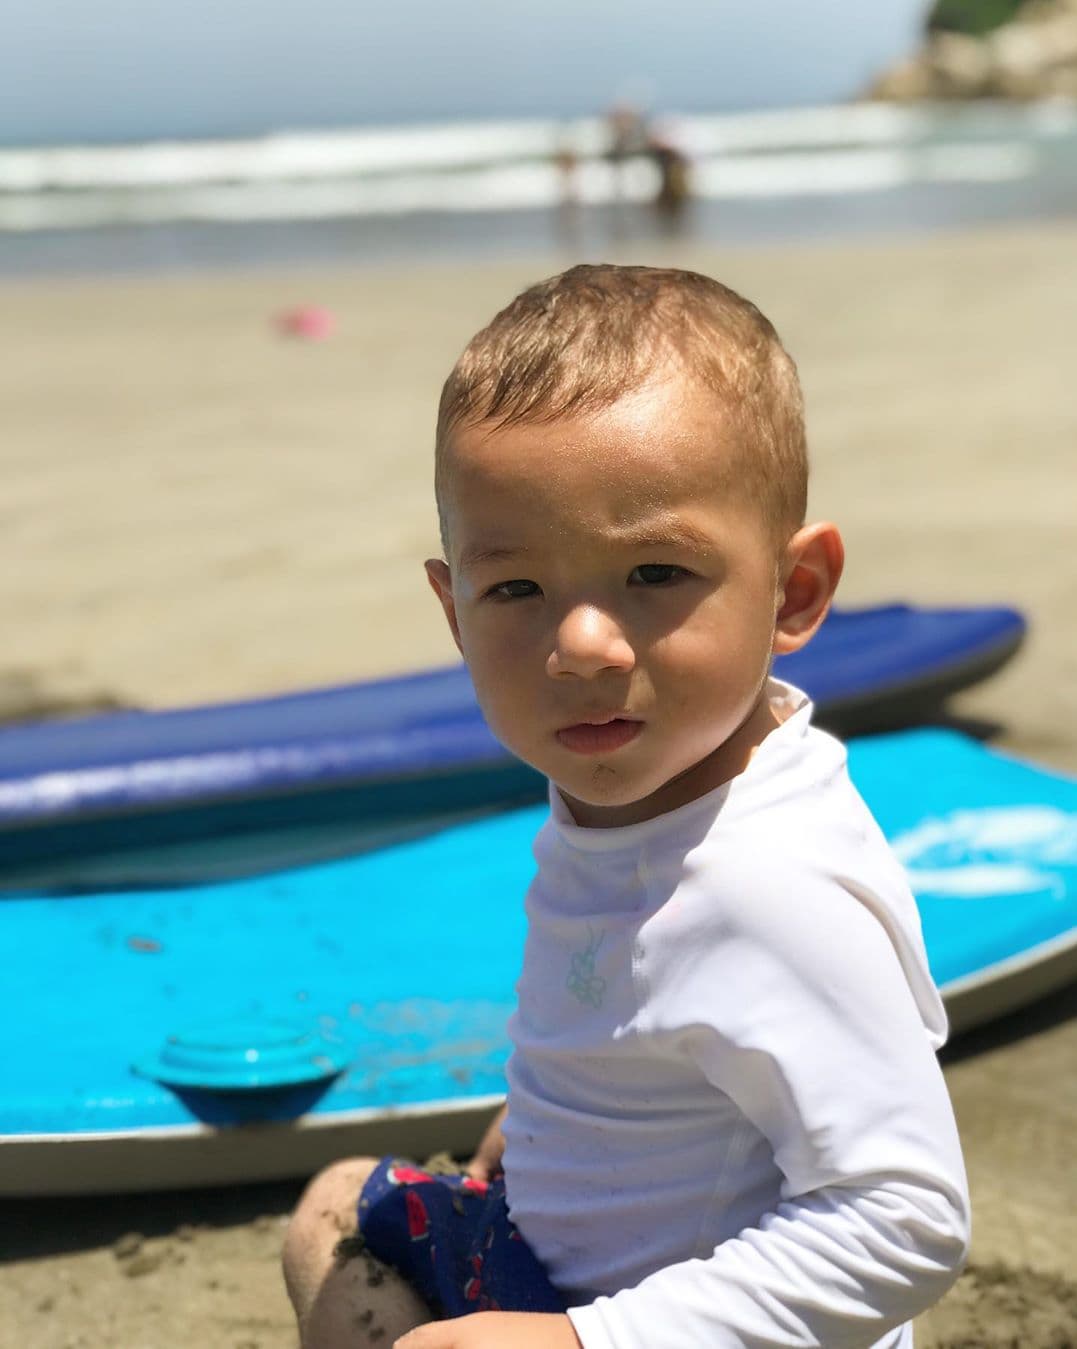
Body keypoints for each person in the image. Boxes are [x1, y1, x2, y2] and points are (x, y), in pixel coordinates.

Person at [282, 264, 971, 1349]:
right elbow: (647, 1015)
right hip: (588, 1266)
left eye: (653, 571)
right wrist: (561, 1126)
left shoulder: (767, 883)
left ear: (792, 593)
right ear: (455, 607)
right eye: (515, 589)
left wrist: (581, 1342)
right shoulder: (641, 788)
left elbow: (908, 1216)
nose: (581, 646)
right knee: (336, 1201)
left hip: (663, 1324)